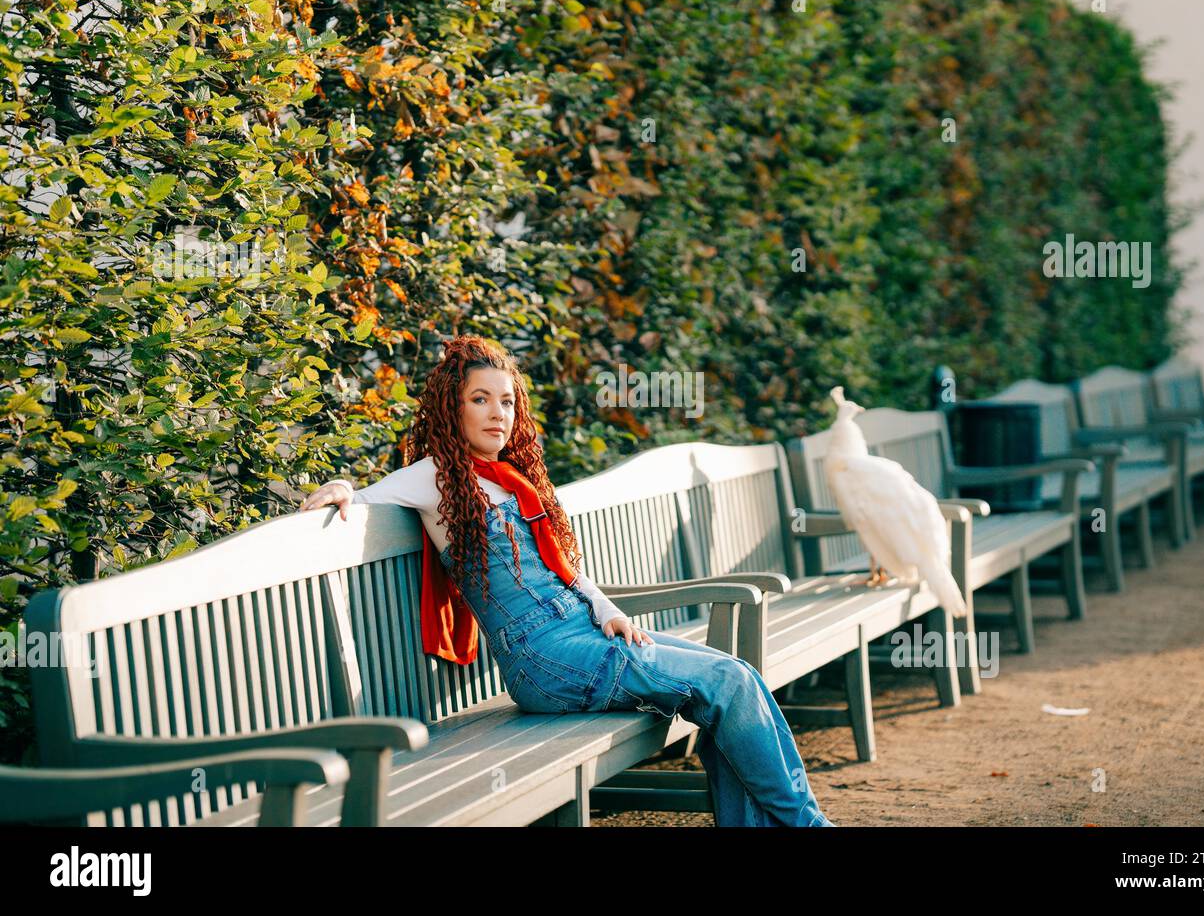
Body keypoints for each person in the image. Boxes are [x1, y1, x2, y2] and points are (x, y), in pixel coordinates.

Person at [300, 334, 834, 827]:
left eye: (506, 401)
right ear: (452, 407)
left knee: (728, 675)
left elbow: (563, 569)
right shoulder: (435, 477)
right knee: (729, 684)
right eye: (480, 399)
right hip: (542, 656)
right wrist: (342, 486)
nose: (497, 413)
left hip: (583, 632)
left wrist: (607, 610)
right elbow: (368, 496)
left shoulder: (514, 479)